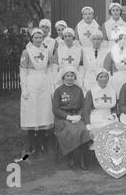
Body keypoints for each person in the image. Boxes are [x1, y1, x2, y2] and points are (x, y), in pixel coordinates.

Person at [20, 28, 54, 156]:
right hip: (31, 83)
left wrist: (52, 87)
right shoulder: (26, 52)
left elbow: (50, 69)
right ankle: (31, 144)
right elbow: (23, 70)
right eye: (36, 38)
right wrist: (24, 87)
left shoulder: (47, 52)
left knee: (43, 113)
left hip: (44, 83)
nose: (39, 40)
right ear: (32, 39)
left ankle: (41, 143)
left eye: (40, 38)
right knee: (31, 113)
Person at [53, 66, 91, 170]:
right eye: (67, 75)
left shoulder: (78, 90)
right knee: (71, 131)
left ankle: (82, 159)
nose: (70, 78)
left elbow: (83, 106)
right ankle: (71, 158)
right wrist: (68, 117)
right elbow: (55, 109)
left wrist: (79, 115)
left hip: (77, 116)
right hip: (63, 118)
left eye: (72, 75)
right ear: (63, 77)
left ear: (75, 77)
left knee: (84, 130)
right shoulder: (58, 91)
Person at [83, 68, 118, 151]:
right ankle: (101, 150)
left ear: (108, 78)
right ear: (97, 79)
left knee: (115, 127)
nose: (104, 79)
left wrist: (113, 114)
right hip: (96, 115)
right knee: (101, 127)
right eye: (101, 77)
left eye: (105, 76)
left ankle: (110, 151)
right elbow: (86, 110)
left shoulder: (112, 91)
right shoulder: (91, 92)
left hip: (109, 115)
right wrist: (88, 126)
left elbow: (114, 108)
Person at [103, 30, 126, 97]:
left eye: (124, 38)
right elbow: (106, 70)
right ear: (116, 40)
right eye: (120, 38)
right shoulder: (110, 54)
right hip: (116, 79)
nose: (122, 40)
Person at [82, 30, 108, 95]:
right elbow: (84, 68)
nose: (96, 41)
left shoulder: (107, 51)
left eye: (98, 39)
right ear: (91, 40)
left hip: (101, 80)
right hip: (89, 80)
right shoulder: (85, 51)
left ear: (102, 40)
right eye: (94, 39)